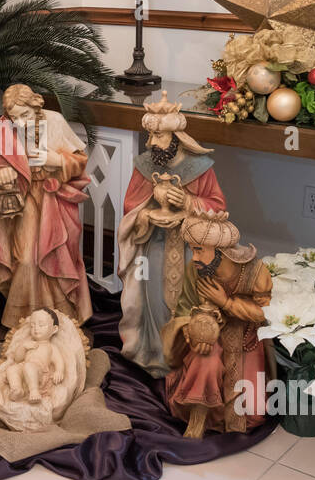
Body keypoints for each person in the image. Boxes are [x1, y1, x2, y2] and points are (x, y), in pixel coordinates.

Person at [117, 91, 227, 376]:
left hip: (190, 247)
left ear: (176, 137)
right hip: (152, 242)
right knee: (151, 296)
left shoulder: (200, 169)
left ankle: (181, 358)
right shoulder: (145, 165)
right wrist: (146, 214)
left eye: (158, 136)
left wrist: (188, 204)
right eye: (150, 135)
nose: (151, 142)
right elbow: (131, 205)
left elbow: (218, 206)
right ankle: (154, 354)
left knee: (184, 300)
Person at [0, 84, 92, 330]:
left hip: (55, 198)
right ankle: (23, 322)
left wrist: (57, 160)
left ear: (36, 106)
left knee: (57, 255)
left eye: (26, 115)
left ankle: (62, 320)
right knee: (28, 258)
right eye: (15, 117)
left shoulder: (54, 121)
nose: (20, 123)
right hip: (25, 197)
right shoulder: (5, 129)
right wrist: (1, 174)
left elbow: (80, 162)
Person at [162, 212, 274, 437]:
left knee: (250, 415)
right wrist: (190, 330)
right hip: (210, 333)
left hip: (246, 340)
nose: (194, 257)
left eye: (199, 250)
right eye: (192, 249)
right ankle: (197, 418)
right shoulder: (195, 271)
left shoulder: (256, 272)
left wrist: (227, 302)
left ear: (220, 251)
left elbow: (265, 313)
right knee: (205, 356)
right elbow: (184, 309)